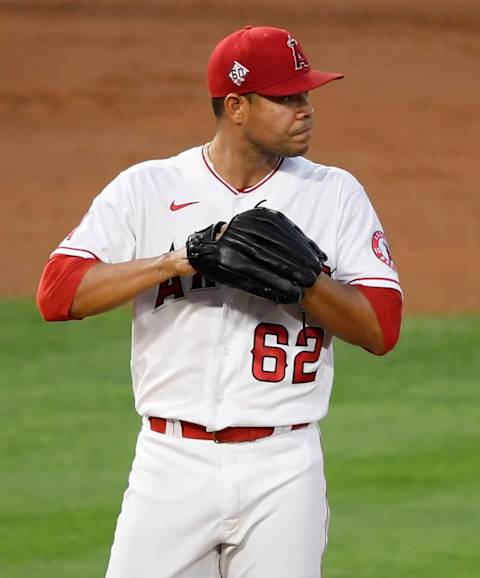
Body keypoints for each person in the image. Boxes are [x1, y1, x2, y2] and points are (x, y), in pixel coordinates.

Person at [37, 25, 402, 578]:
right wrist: (173, 262)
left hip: (284, 468)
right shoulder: (148, 188)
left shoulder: (335, 194)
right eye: (287, 97)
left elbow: (382, 329)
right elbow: (57, 292)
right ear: (236, 106)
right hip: (170, 464)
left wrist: (306, 282)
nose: (306, 110)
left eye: (306, 95)